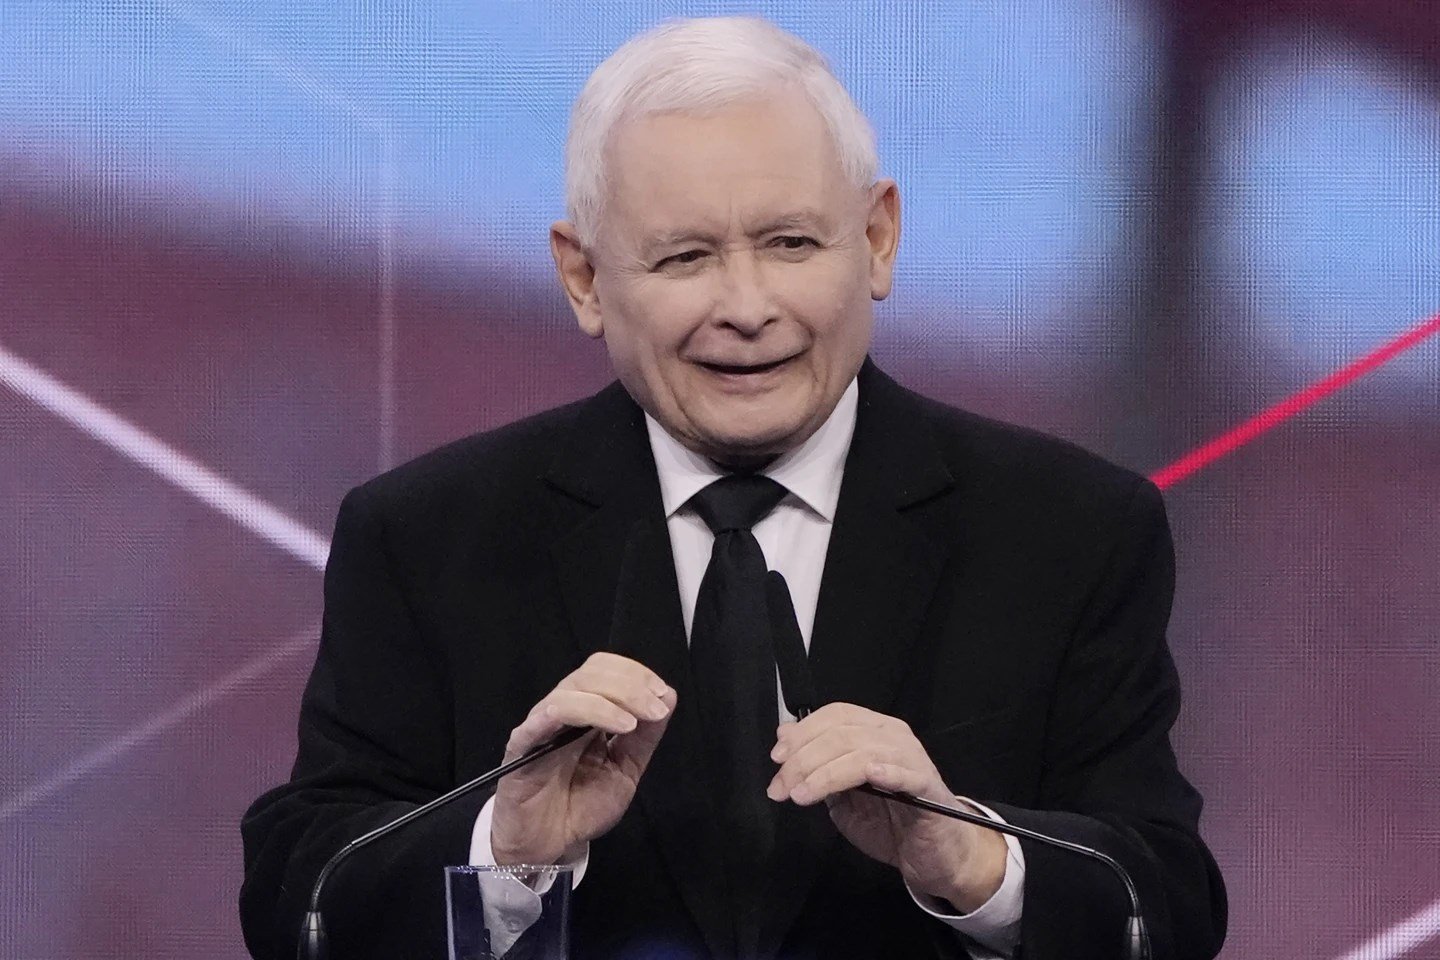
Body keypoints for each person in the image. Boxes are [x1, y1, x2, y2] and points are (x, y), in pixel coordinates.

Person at [239, 16, 1226, 960]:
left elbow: (1168, 909)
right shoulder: (426, 537)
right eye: (686, 257)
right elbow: (301, 904)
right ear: (583, 278)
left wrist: (974, 860)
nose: (747, 308)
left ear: (878, 237)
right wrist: (505, 844)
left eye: (792, 244)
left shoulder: (1071, 532)